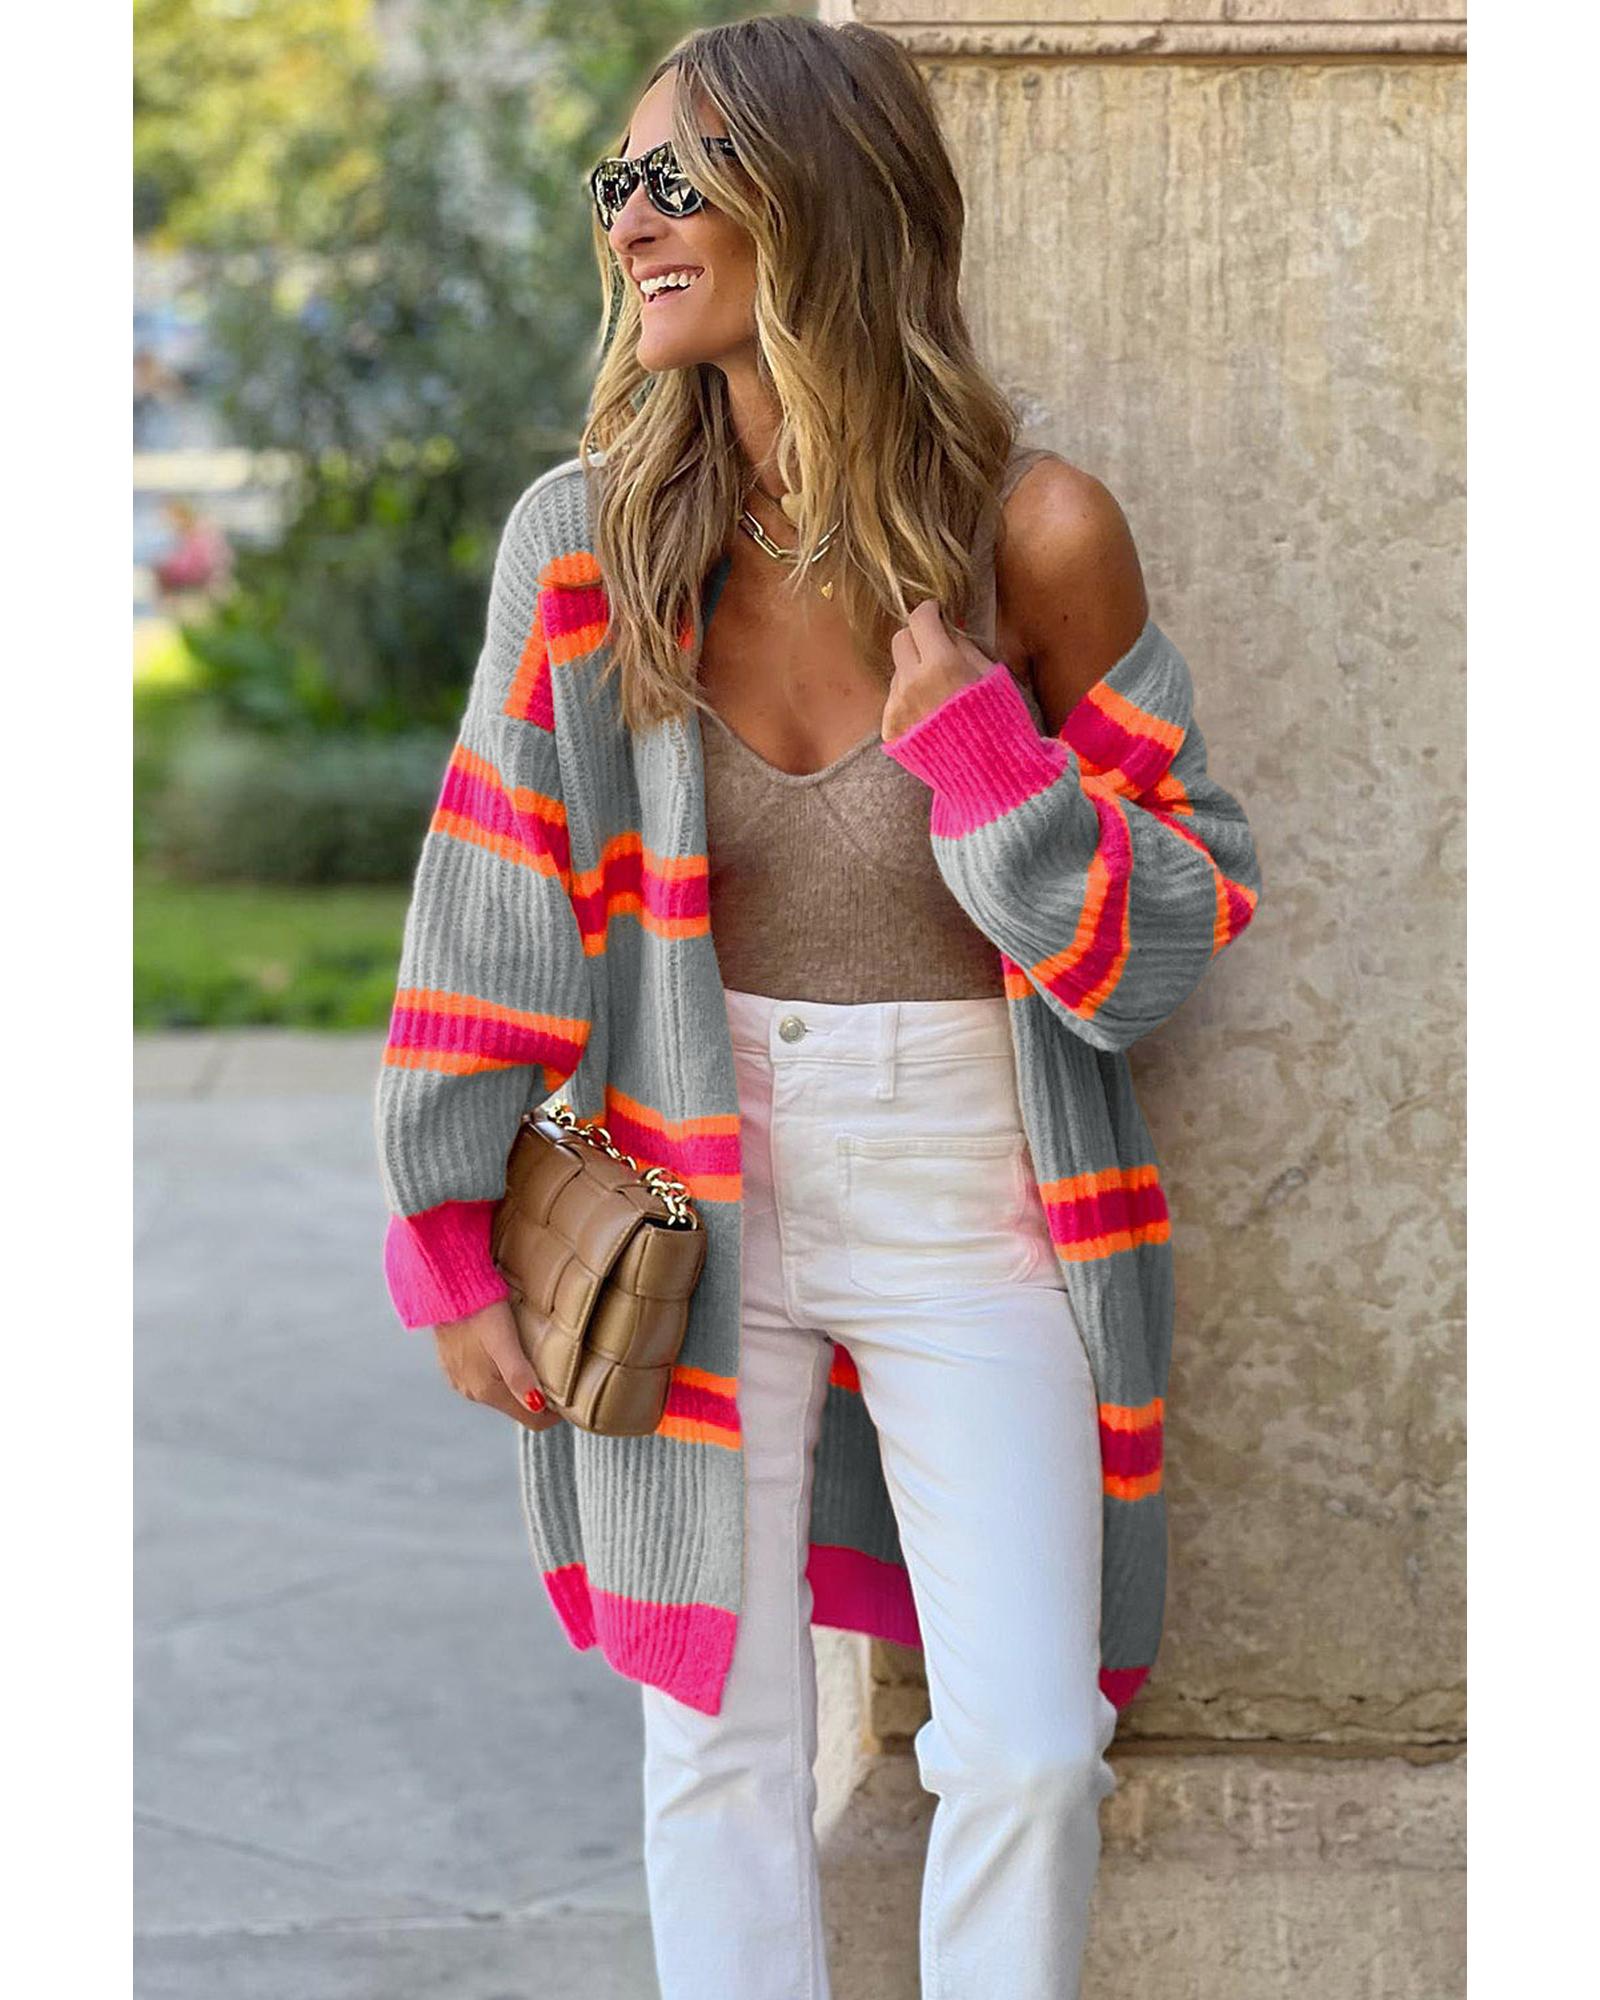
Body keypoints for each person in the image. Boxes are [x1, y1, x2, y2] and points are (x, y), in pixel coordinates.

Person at [373, 16, 1263, 2000]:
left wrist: (992, 772)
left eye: (673, 179)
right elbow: (489, 897)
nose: (627, 223)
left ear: (821, 201)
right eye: (614, 184)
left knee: (1027, 1747)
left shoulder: (1031, 537)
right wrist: (446, 1226)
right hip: (695, 1196)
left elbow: (1176, 927)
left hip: (973, 1191)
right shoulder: (589, 544)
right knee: (717, 1736)